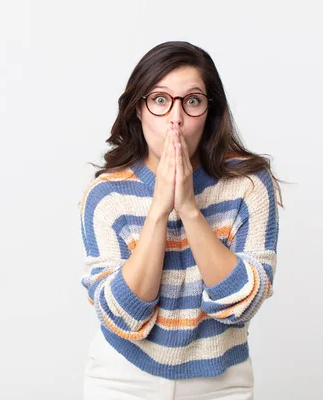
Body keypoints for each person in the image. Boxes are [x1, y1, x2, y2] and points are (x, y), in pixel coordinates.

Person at [78, 41, 283, 400]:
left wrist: (188, 208)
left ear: (209, 110)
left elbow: (242, 303)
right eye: (160, 100)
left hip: (221, 380)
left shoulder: (248, 184)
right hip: (123, 376)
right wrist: (159, 208)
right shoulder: (106, 195)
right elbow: (124, 316)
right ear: (137, 109)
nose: (176, 119)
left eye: (192, 101)